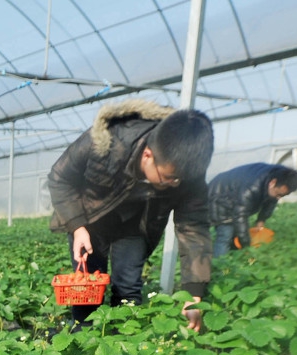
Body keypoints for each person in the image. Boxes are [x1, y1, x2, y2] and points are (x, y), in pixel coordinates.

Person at [47, 100, 214, 331]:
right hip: (90, 220)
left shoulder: (185, 171)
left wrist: (194, 292)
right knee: (86, 287)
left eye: (179, 180)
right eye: (168, 178)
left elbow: (193, 228)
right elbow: (60, 177)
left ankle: (124, 341)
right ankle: (81, 338)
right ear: (148, 155)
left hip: (136, 224)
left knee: (128, 287)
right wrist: (77, 227)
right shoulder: (105, 141)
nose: (174, 184)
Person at [208, 162, 297, 257]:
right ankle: (219, 264)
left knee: (236, 233)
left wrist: (261, 220)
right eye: (278, 194)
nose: (279, 198)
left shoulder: (278, 177)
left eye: (282, 196)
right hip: (219, 196)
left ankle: (233, 256)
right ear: (272, 183)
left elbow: (271, 200)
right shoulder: (252, 187)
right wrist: (247, 246)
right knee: (225, 234)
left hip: (234, 196)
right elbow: (240, 215)